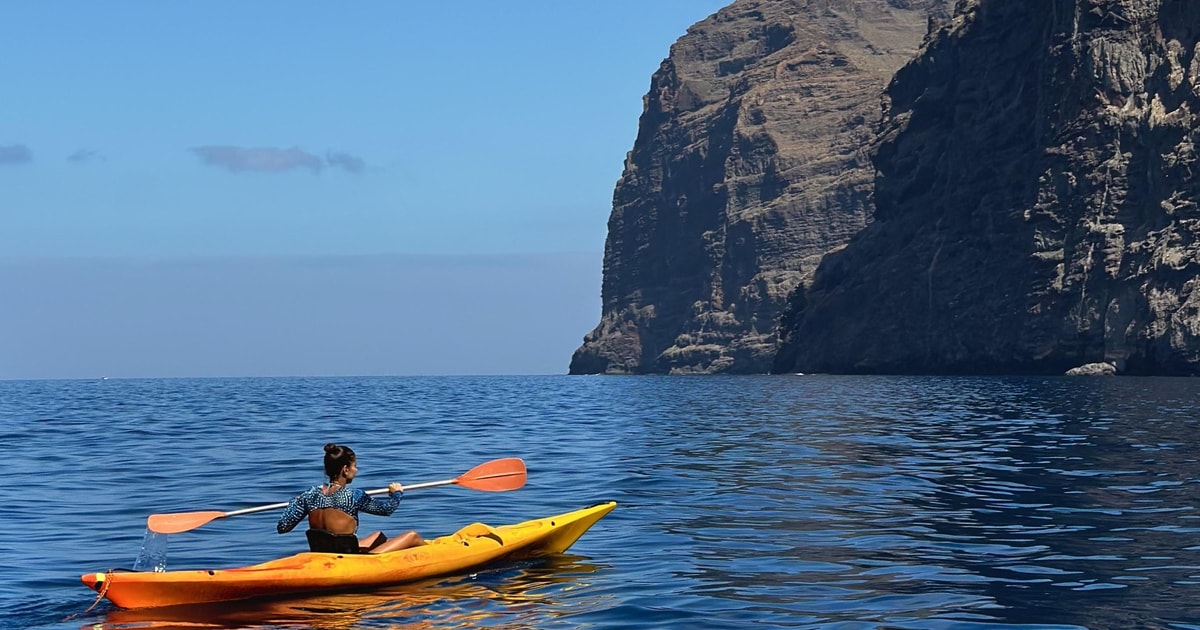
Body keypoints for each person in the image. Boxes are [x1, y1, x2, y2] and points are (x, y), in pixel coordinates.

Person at [277, 443, 424, 553]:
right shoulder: (353, 495)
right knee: (413, 536)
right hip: (349, 559)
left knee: (379, 536)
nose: (356, 470)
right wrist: (397, 493)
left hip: (322, 555)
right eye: (355, 466)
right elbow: (387, 510)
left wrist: (295, 502)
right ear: (345, 469)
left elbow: (283, 527)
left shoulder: (308, 495)